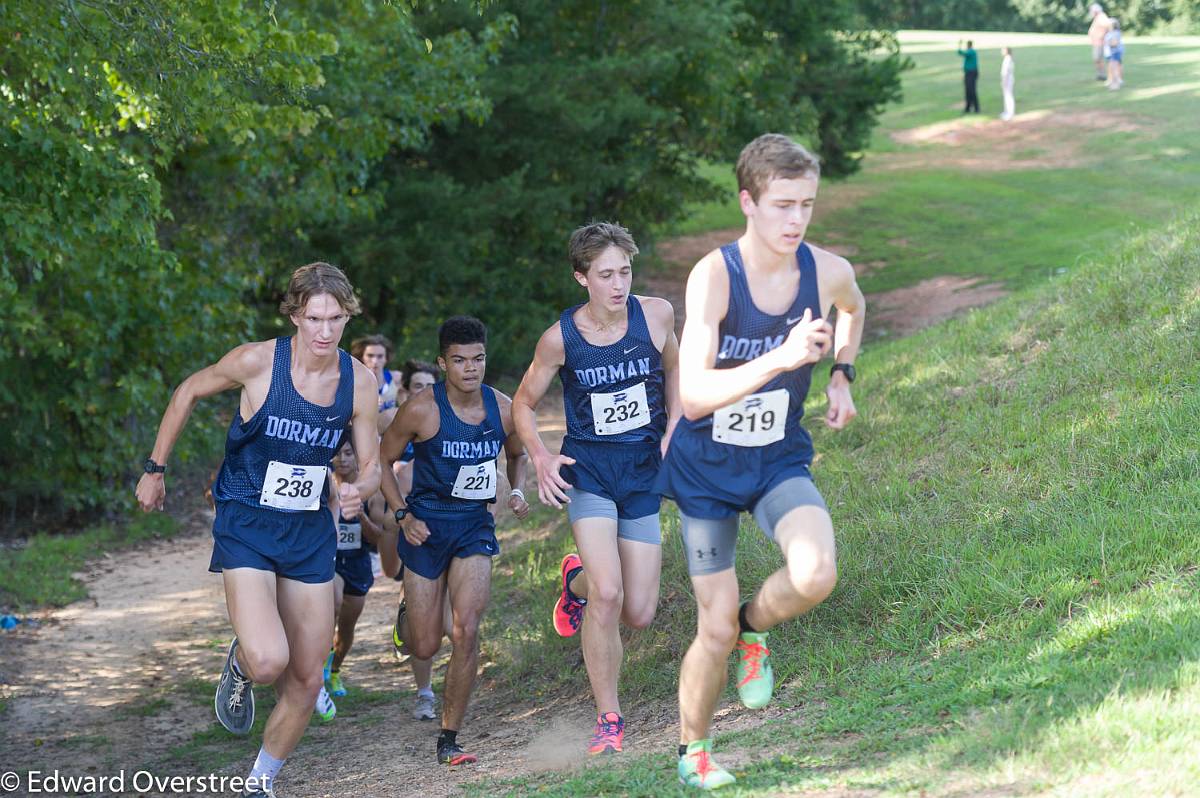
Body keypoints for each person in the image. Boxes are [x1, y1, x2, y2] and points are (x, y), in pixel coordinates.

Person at [655, 134, 865, 789]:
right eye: (781, 205)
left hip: (776, 459)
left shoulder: (825, 271)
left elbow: (854, 308)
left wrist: (841, 376)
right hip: (707, 472)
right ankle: (695, 755)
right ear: (748, 202)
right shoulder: (715, 276)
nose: (796, 220)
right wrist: (783, 356)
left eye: (806, 204)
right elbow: (692, 398)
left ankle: (757, 628)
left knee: (816, 574)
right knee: (708, 628)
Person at [135, 262, 381, 798]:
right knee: (270, 661)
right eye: (313, 318)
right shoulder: (256, 362)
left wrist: (359, 486)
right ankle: (242, 661)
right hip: (246, 522)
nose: (324, 331)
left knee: (308, 677)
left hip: (308, 533)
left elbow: (373, 463)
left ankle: (259, 782)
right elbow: (186, 392)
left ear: (347, 316)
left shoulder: (359, 382)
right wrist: (156, 469)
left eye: (335, 319)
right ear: (294, 315)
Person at [512, 221, 681, 755]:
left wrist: (674, 430)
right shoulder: (560, 338)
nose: (618, 284)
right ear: (581, 277)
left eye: (625, 272)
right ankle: (610, 719)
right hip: (590, 471)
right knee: (610, 594)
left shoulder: (655, 315)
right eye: (605, 274)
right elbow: (521, 402)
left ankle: (574, 581)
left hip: (641, 473)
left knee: (639, 611)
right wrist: (540, 455)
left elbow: (675, 371)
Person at [378, 315, 531, 766]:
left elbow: (517, 455)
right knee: (424, 646)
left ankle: (449, 738)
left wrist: (517, 489)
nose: (471, 368)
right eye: (460, 360)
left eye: (479, 359)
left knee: (465, 631)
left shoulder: (503, 407)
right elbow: (382, 463)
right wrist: (403, 517)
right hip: (426, 528)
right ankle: (408, 611)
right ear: (443, 363)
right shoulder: (421, 409)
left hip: (473, 527)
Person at [323, 441, 389, 702]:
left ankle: (335, 669)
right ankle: (317, 669)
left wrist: (360, 515)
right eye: (337, 454)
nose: (342, 459)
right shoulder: (325, 485)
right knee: (333, 604)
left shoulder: (371, 490)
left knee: (347, 626)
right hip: (331, 562)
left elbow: (377, 538)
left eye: (349, 453)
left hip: (358, 564)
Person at [351, 334, 404, 435]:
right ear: (361, 356)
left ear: (386, 358)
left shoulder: (396, 378)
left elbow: (407, 407)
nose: (375, 361)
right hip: (362, 435)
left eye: (380, 356)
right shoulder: (352, 381)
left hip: (389, 436)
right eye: (370, 356)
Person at [1089, 4, 1113, 81]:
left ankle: (1103, 75)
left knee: (1098, 58)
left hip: (1100, 43)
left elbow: (1108, 25)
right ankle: (1100, 74)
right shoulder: (1098, 17)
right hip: (1096, 43)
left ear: (1096, 11)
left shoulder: (1101, 17)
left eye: (1092, 11)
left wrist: (1103, 36)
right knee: (1097, 59)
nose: (1091, 13)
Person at [957, 39, 980, 113]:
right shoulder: (971, 51)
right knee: (968, 91)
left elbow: (960, 53)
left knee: (971, 90)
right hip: (969, 73)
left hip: (971, 73)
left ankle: (976, 108)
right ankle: (968, 107)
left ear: (968, 45)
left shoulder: (971, 51)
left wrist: (959, 45)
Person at [1105, 19, 1124, 90]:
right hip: (1111, 53)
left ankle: (1116, 83)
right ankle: (1113, 81)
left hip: (1114, 53)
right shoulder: (1111, 33)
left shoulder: (1115, 33)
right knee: (1113, 67)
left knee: (1115, 67)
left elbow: (1115, 43)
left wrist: (1107, 43)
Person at [1000, 47, 1015, 121]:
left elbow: (1006, 73)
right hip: (1007, 80)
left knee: (1008, 96)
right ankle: (1006, 112)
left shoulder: (1008, 59)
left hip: (1008, 80)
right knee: (1006, 96)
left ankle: (1010, 113)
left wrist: (1004, 82)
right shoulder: (1007, 58)